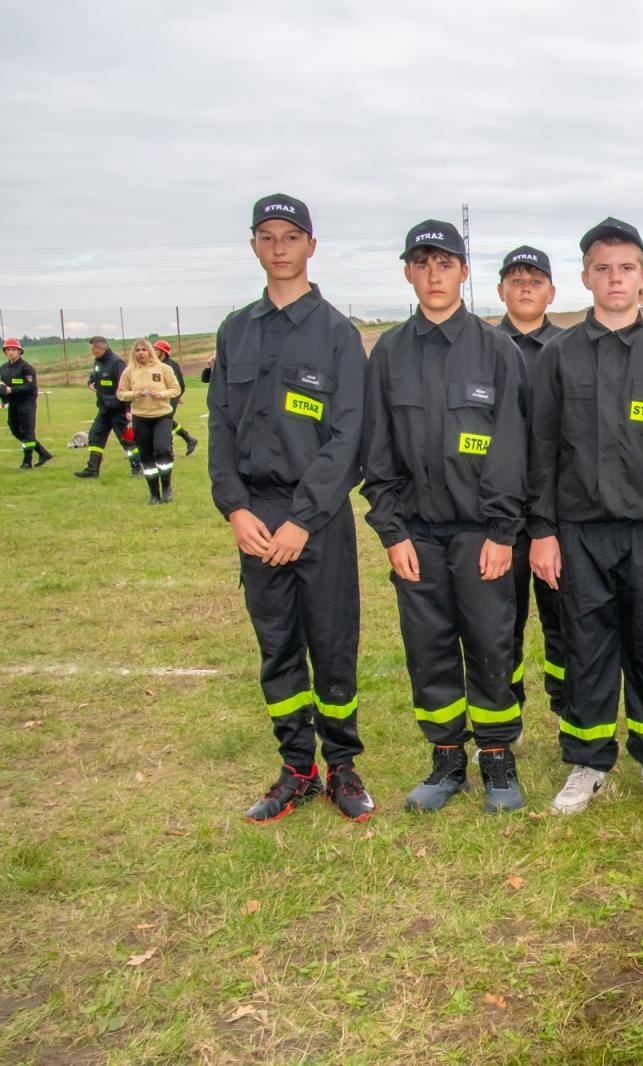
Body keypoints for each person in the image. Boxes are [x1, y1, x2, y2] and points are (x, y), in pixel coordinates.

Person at [527, 219, 643, 817]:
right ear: (585, 276)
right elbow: (542, 451)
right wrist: (543, 531)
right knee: (586, 646)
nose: (615, 278)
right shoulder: (557, 358)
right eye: (602, 268)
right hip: (578, 533)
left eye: (626, 268)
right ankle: (588, 760)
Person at [210, 193, 373, 823]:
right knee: (277, 646)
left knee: (332, 646)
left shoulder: (335, 333)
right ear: (254, 245)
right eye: (267, 236)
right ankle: (296, 768)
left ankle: (342, 767)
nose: (279, 247)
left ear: (311, 245)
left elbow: (348, 437)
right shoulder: (236, 330)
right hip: (256, 515)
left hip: (319, 520)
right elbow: (221, 426)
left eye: (290, 237)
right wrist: (236, 509)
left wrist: (303, 519)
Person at [363, 219, 528, 814]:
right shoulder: (388, 352)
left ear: (463, 271)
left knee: (490, 647)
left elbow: (512, 448)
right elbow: (376, 451)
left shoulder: (496, 351)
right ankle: (446, 760)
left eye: (445, 263)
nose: (434, 274)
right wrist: (391, 531)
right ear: (408, 271)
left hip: (481, 535)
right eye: (422, 263)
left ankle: (497, 760)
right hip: (416, 537)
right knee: (427, 648)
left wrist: (503, 531)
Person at [496, 244, 567, 721]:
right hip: (497, 512)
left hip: (560, 513)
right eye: (516, 280)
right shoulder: (480, 348)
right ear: (501, 289)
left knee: (566, 623)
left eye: (535, 280)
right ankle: (508, 714)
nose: (525, 288)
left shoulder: (570, 349)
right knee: (502, 624)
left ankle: (569, 709)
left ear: (551, 291)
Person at [116, 339, 182, 504]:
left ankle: (166, 488)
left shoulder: (163, 368)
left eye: (143, 350)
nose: (140, 353)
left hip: (162, 415)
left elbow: (176, 389)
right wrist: (134, 394)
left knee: (162, 450)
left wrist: (161, 394)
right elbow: (121, 393)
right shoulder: (129, 371)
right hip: (140, 417)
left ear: (150, 352)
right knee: (146, 456)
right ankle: (154, 493)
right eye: (137, 350)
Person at [74, 336, 139, 478]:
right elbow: (95, 376)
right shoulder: (98, 362)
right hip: (104, 409)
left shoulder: (117, 363)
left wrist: (128, 409)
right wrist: (90, 382)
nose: (92, 352)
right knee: (95, 436)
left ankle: (137, 467)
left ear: (102, 348)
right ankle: (92, 469)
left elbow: (127, 386)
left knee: (126, 441)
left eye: (94, 349)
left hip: (118, 409)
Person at [2, 338, 53, 468]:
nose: (11, 352)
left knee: (27, 433)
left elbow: (31, 387)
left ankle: (27, 461)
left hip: (26, 404)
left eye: (13, 349)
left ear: (19, 351)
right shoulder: (3, 369)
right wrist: (3, 399)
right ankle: (43, 453)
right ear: (5, 352)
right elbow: (2, 388)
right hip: (13, 404)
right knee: (15, 431)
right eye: (8, 349)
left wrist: (11, 390)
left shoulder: (27, 368)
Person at [153, 339, 200, 456]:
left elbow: (180, 384)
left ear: (162, 351)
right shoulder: (156, 365)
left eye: (156, 349)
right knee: (165, 421)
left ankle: (168, 450)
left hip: (170, 397)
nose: (153, 351)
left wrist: (176, 396)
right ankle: (189, 439)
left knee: (165, 422)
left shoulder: (171, 365)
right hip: (160, 398)